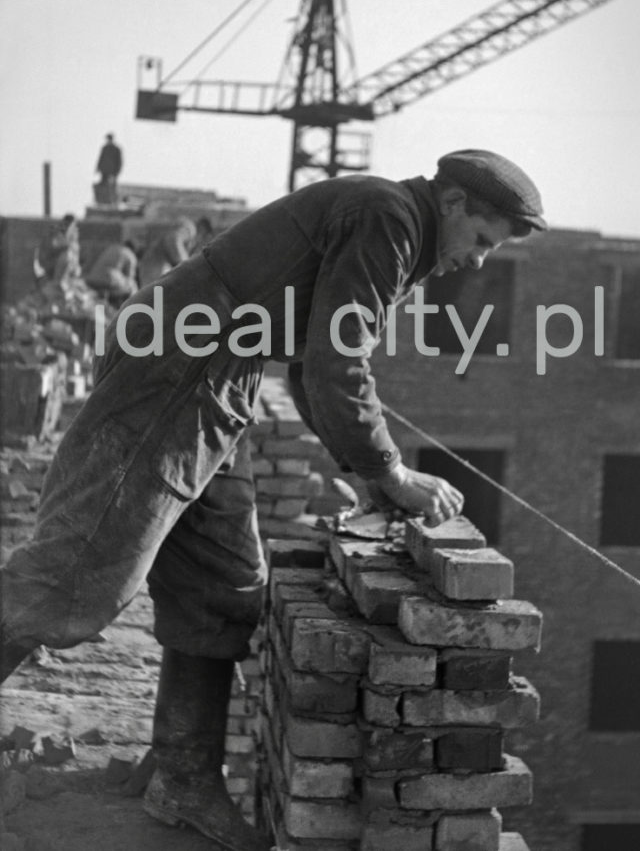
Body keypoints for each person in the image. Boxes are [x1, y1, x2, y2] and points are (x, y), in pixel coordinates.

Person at [0, 150, 546, 851]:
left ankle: (182, 776)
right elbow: (336, 363)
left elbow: (318, 363)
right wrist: (390, 472)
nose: (475, 262)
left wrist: (373, 466)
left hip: (222, 376)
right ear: (452, 204)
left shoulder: (397, 227)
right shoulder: (389, 220)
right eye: (480, 240)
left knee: (224, 587)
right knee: (78, 580)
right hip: (177, 366)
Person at [138, 216, 197, 286]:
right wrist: (188, 267)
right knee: (158, 295)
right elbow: (173, 239)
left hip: (152, 274)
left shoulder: (167, 230)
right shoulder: (188, 229)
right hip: (156, 277)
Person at [85, 240, 139, 306]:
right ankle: (132, 308)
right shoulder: (130, 255)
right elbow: (130, 277)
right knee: (132, 285)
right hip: (108, 280)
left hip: (92, 279)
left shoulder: (112, 248)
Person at [95, 133, 123, 205]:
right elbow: (101, 158)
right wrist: (98, 168)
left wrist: (117, 172)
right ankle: (102, 201)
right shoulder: (105, 148)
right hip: (104, 170)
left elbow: (119, 161)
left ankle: (112, 202)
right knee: (102, 186)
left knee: (112, 187)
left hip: (112, 171)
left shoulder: (116, 149)